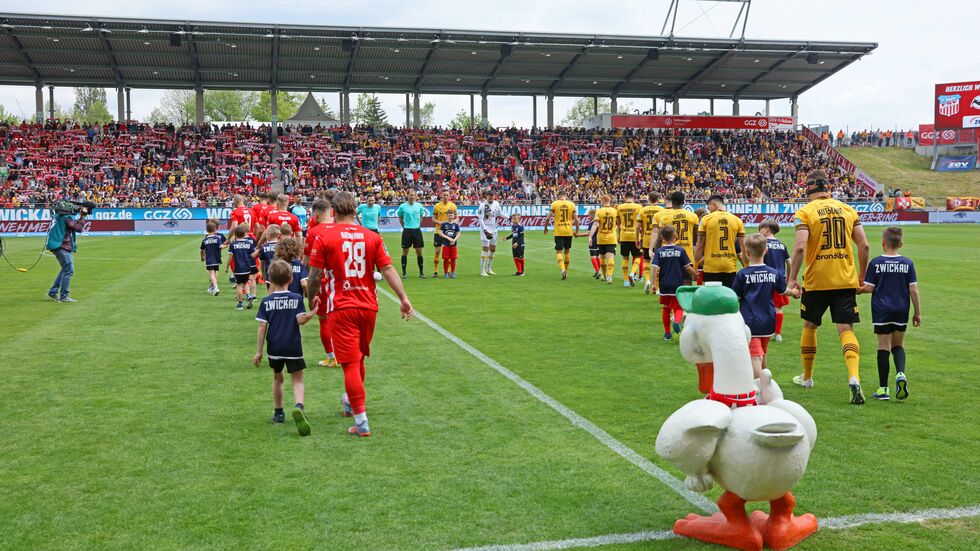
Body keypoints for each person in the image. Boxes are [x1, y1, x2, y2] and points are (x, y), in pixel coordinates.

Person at [307, 191, 414, 437]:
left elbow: (314, 275)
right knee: (359, 358)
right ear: (356, 211)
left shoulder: (325, 235)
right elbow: (387, 268)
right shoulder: (371, 236)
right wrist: (403, 298)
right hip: (368, 306)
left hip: (342, 306)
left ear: (333, 212)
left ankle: (362, 422)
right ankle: (349, 401)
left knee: (351, 364)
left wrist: (312, 296)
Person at [787, 169, 870, 405]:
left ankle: (808, 377)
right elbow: (864, 245)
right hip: (845, 279)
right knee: (846, 329)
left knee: (810, 326)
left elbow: (801, 248)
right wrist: (861, 277)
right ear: (828, 186)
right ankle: (854, 376)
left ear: (810, 188)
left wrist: (792, 279)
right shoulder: (848, 209)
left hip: (816, 280)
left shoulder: (805, 212)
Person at [253, 259, 319, 436]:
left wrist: (259, 352)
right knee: (297, 380)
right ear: (291, 279)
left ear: (270, 280)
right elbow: (301, 320)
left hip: (274, 347)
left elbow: (262, 327)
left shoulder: (266, 301)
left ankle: (278, 412)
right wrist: (313, 311)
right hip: (293, 346)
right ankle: (299, 407)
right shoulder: (296, 298)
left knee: (277, 378)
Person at [858, 227, 921, 401]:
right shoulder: (908, 263)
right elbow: (913, 289)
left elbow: (869, 288)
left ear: (883, 243)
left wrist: (858, 290)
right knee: (898, 346)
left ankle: (883, 389)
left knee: (883, 347)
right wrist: (918, 313)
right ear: (901, 243)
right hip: (901, 309)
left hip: (881, 310)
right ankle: (900, 374)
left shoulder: (876, 263)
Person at [732, 234, 795, 379]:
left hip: (749, 321)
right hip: (768, 320)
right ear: (766, 251)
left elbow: (736, 298)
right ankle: (765, 385)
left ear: (746, 253)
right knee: (762, 353)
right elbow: (783, 291)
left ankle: (758, 389)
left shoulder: (742, 274)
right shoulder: (773, 273)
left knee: (755, 357)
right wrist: (794, 292)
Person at [303, 198, 338, 368]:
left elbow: (308, 262)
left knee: (324, 319)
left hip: (323, 280)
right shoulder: (341, 228)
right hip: (343, 279)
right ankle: (348, 354)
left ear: (316, 214)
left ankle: (332, 357)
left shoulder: (313, 232)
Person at [651, 224, 697, 340]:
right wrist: (695, 274)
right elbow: (687, 267)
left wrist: (653, 284)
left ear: (662, 237)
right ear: (675, 236)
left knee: (666, 308)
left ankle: (667, 333)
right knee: (678, 308)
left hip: (664, 285)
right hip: (677, 284)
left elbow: (654, 268)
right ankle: (676, 321)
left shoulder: (659, 251)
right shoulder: (680, 250)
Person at [695, 195, 747, 288]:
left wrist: (695, 266)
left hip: (711, 267)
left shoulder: (706, 219)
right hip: (729, 267)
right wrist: (746, 265)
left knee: (711, 298)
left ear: (713, 204)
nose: (709, 210)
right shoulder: (737, 220)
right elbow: (743, 246)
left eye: (709, 207)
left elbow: (699, 245)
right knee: (728, 298)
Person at [650, 191, 700, 285]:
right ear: (683, 202)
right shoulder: (693, 216)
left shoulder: (665, 217)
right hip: (687, 253)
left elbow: (660, 238)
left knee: (669, 278)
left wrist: (657, 252)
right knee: (687, 282)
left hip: (669, 253)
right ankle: (684, 299)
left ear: (672, 202)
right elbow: (696, 236)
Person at [46, 202, 88, 303]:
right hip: (62, 245)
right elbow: (79, 228)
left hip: (58, 245)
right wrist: (83, 216)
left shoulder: (57, 216)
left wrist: (80, 216)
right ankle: (64, 295)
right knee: (69, 270)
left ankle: (53, 291)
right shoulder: (66, 218)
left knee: (65, 269)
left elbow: (72, 225)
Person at [759, 219, 790, 342]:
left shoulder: (762, 243)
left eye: (760, 228)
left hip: (765, 278)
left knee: (763, 305)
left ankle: (765, 331)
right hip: (780, 278)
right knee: (778, 307)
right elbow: (789, 262)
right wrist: (787, 277)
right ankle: (777, 334)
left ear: (767, 229)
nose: (759, 231)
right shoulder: (782, 244)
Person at [544, 190, 579, 280]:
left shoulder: (555, 204)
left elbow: (548, 218)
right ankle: (566, 272)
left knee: (559, 251)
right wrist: (577, 231)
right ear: (566, 196)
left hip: (559, 231)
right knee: (567, 251)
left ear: (559, 196)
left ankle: (563, 269)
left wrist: (545, 227)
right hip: (568, 231)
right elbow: (577, 220)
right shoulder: (571, 204)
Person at [637, 192, 665, 293]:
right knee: (659, 263)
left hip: (647, 238)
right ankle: (656, 286)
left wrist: (637, 238)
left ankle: (648, 280)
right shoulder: (662, 210)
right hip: (659, 239)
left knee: (646, 261)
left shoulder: (643, 210)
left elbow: (638, 226)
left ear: (648, 199)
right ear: (658, 199)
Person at [395, 191, 426, 278]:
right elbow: (400, 218)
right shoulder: (402, 206)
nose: (412, 196)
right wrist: (404, 226)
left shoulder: (419, 206)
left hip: (416, 230)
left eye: (413, 195)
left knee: (419, 251)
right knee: (405, 251)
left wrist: (418, 224)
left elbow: (421, 216)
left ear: (416, 196)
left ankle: (421, 272)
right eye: (410, 195)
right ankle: (404, 273)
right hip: (407, 230)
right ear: (407, 195)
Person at [228, 224, 258, 310]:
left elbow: (231, 257)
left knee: (239, 285)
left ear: (236, 234)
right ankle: (251, 295)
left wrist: (227, 267)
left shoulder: (234, 243)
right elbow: (253, 254)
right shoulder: (251, 241)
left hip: (239, 267)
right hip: (249, 266)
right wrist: (259, 249)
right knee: (248, 281)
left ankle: (240, 304)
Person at [590, 195, 618, 285]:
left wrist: (590, 236)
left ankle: (605, 276)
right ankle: (609, 276)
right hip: (611, 237)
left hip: (601, 238)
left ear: (603, 200)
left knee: (602, 258)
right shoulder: (614, 211)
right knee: (611, 257)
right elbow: (619, 223)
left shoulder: (599, 211)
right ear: (609, 200)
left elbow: (595, 225)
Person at [616, 192, 643, 287]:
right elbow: (641, 223)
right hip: (635, 236)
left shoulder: (619, 207)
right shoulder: (639, 207)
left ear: (624, 197)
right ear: (633, 198)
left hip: (624, 235)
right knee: (638, 257)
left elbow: (618, 224)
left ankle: (625, 281)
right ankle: (632, 273)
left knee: (625, 258)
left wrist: (619, 236)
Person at [476, 190, 504, 276]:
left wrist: (508, 218)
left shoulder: (496, 203)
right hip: (486, 230)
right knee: (485, 249)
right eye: (489, 197)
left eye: (492, 197)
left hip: (494, 229)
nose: (491, 199)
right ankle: (482, 271)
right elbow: (480, 219)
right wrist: (485, 231)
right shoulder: (482, 206)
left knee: (493, 249)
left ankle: (489, 269)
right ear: (486, 196)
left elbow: (500, 213)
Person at [431, 192, 457, 278]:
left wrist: (453, 223)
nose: (445, 196)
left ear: (449, 196)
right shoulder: (437, 206)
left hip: (450, 233)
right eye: (444, 195)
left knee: (449, 254)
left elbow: (457, 217)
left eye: (447, 195)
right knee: (437, 252)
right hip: (439, 232)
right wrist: (441, 223)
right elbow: (433, 219)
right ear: (441, 196)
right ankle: (435, 271)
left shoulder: (453, 206)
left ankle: (448, 272)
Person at [200, 220, 228, 296]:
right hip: (217, 258)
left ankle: (215, 287)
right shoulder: (218, 238)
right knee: (214, 272)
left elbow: (202, 249)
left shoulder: (205, 239)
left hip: (209, 258)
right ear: (215, 229)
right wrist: (227, 246)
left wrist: (202, 257)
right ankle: (212, 287)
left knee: (211, 273)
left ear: (206, 230)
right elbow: (221, 246)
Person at [577, 208, 602, 279]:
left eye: (589, 215)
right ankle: (598, 271)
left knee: (593, 257)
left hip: (593, 241)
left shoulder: (592, 223)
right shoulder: (600, 222)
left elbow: (588, 233)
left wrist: (578, 235)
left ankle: (597, 271)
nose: (588, 217)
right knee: (597, 257)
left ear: (593, 215)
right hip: (600, 241)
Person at [254, 224, 281, 291]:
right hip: (282, 274)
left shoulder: (264, 248)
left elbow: (262, 263)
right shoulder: (282, 246)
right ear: (278, 235)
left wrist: (263, 274)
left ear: (267, 235)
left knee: (271, 294)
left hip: (269, 274)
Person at [436, 210, 461, 278]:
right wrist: (448, 238)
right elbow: (440, 233)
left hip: (454, 244)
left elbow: (459, 233)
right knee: (446, 259)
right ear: (447, 216)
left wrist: (454, 239)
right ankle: (446, 273)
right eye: (449, 215)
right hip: (446, 244)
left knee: (453, 259)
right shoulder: (444, 224)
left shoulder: (455, 225)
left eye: (452, 215)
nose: (450, 217)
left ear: (454, 216)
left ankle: (453, 273)